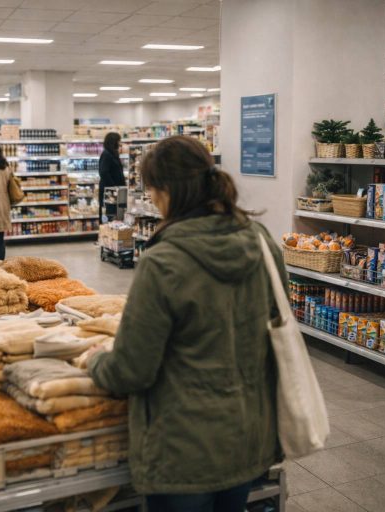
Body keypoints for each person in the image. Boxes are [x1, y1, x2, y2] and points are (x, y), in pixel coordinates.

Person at [87, 136, 283, 512]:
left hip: (183, 446)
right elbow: (278, 323)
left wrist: (97, 360)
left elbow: (132, 370)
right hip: (247, 433)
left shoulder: (164, 261)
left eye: (152, 190)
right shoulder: (261, 242)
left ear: (167, 192)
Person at [98, 131, 126, 222]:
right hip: (109, 192)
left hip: (114, 191)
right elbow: (103, 172)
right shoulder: (106, 154)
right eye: (118, 141)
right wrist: (114, 186)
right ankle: (107, 233)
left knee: (114, 214)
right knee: (108, 215)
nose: (120, 143)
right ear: (113, 142)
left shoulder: (113, 153)